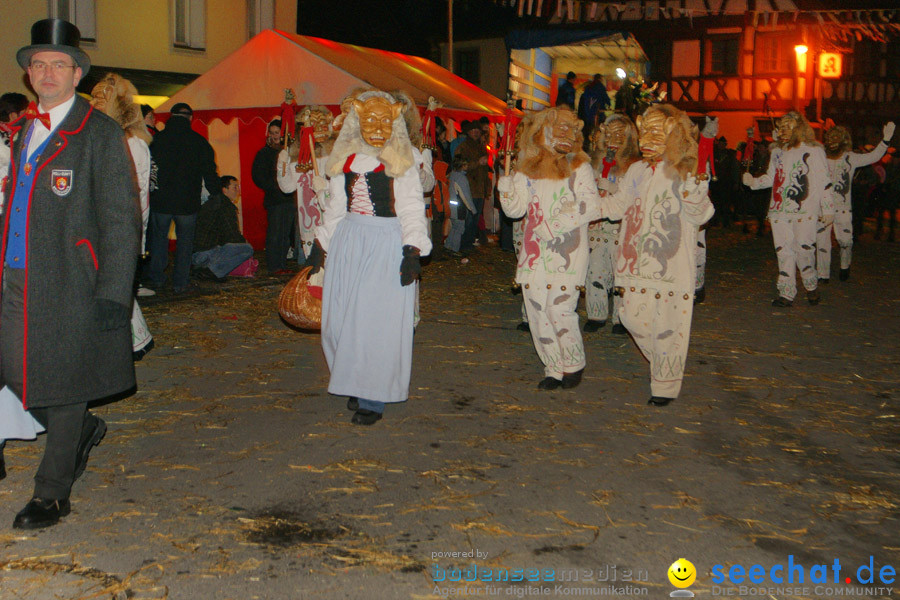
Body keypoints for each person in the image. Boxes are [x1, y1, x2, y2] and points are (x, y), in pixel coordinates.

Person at [1, 18, 140, 528]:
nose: (47, 73)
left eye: (59, 64)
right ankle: (80, 430)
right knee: (16, 372)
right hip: (16, 275)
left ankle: (51, 492)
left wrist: (113, 293)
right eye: (38, 64)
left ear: (77, 74)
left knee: (63, 380)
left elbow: (124, 221)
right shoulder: (24, 133)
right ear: (28, 74)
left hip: (71, 280)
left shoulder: (98, 133)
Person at [307, 89, 431, 425]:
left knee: (374, 323)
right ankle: (353, 378)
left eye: (382, 119)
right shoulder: (345, 159)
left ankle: (373, 396)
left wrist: (412, 250)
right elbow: (335, 206)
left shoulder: (402, 161)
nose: (375, 126)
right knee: (341, 320)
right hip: (349, 239)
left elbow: (410, 207)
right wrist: (322, 244)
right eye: (369, 119)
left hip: (384, 242)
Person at [603, 104, 714, 406]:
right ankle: (665, 366)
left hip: (670, 268)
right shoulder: (637, 169)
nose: (646, 138)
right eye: (645, 131)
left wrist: (695, 192)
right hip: (633, 265)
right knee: (630, 317)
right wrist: (584, 208)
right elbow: (618, 206)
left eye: (656, 131)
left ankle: (665, 385)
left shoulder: (684, 170)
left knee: (669, 329)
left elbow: (703, 214)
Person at [497, 106, 606, 390]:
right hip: (534, 252)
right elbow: (515, 211)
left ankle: (573, 362)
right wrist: (506, 188)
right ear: (541, 131)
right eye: (559, 128)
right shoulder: (527, 168)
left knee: (559, 309)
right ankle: (552, 367)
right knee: (536, 310)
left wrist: (554, 226)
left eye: (571, 129)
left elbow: (591, 205)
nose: (565, 134)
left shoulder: (579, 166)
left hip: (567, 249)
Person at [89, 72, 155, 361]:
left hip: (119, 227)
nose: (92, 104)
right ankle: (135, 340)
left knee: (114, 286)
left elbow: (137, 194)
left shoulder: (133, 144)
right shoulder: (99, 137)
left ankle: (131, 343)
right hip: (96, 225)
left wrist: (132, 238)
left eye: (100, 100)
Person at [743, 111, 831, 307]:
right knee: (783, 251)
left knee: (804, 250)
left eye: (787, 126)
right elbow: (771, 178)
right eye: (781, 127)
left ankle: (810, 284)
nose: (782, 131)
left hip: (804, 209)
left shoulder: (814, 151)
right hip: (779, 210)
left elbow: (824, 180)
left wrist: (828, 208)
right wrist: (753, 182)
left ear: (799, 128)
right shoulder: (777, 152)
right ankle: (786, 292)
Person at [146, 102, 220, 294]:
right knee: (185, 243)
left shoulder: (156, 140)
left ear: (170, 117)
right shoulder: (199, 142)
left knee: (159, 240)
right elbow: (209, 172)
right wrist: (216, 192)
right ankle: (181, 282)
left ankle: (156, 278)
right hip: (187, 202)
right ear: (190, 118)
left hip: (161, 201)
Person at [818, 122, 894, 282]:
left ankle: (845, 265)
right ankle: (822, 274)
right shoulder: (821, 158)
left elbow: (872, 157)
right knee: (822, 242)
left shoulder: (850, 158)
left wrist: (885, 141)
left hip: (843, 208)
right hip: (823, 208)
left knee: (845, 241)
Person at [584, 113, 639, 334]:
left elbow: (637, 197)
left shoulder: (634, 166)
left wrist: (617, 190)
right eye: (610, 134)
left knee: (620, 272)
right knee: (595, 270)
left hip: (620, 228)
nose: (613, 140)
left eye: (619, 134)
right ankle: (596, 314)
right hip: (597, 226)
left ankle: (620, 317)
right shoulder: (594, 162)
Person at [277, 106, 335, 263]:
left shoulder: (336, 155)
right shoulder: (300, 159)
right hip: (309, 224)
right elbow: (287, 187)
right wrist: (282, 165)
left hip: (333, 218)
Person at [253, 119, 296, 274]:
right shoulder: (264, 153)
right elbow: (257, 176)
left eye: (277, 133)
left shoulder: (290, 152)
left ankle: (281, 264)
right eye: (271, 133)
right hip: (274, 199)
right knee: (275, 233)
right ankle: (274, 265)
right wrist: (274, 187)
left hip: (289, 198)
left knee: (285, 234)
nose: (274, 136)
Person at [191, 175, 256, 279]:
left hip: (195, 252)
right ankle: (212, 271)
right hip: (205, 254)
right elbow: (231, 235)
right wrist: (245, 242)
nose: (238, 191)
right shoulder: (225, 205)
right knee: (247, 249)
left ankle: (205, 268)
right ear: (224, 190)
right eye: (235, 187)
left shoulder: (212, 202)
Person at [455, 120, 490, 252]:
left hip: (479, 190)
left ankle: (468, 244)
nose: (475, 132)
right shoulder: (463, 147)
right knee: (467, 219)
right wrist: (478, 162)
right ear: (468, 132)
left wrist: (486, 188)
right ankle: (463, 245)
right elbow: (458, 166)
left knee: (474, 220)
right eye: (473, 130)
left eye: (477, 130)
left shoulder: (481, 147)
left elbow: (484, 172)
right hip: (467, 189)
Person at [577, 74, 611, 142]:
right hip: (599, 113)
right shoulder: (600, 87)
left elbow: (585, 100)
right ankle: (598, 141)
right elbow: (606, 98)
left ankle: (587, 143)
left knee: (588, 129)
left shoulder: (588, 87)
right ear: (600, 79)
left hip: (588, 113)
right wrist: (609, 104)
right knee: (600, 129)